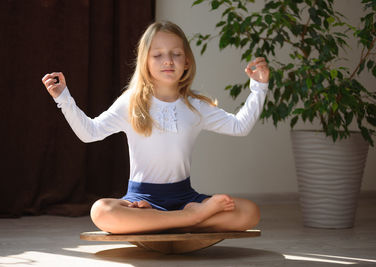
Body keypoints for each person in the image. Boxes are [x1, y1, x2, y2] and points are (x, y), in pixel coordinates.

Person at [42, 21, 269, 234]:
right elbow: (89, 133)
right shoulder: (130, 102)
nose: (168, 61)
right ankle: (190, 220)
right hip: (141, 201)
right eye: (158, 55)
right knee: (101, 211)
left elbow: (240, 126)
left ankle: (163, 223)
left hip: (185, 197)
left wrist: (259, 87)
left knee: (250, 212)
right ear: (145, 62)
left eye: (176, 54)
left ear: (187, 61)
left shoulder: (197, 107)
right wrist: (64, 99)